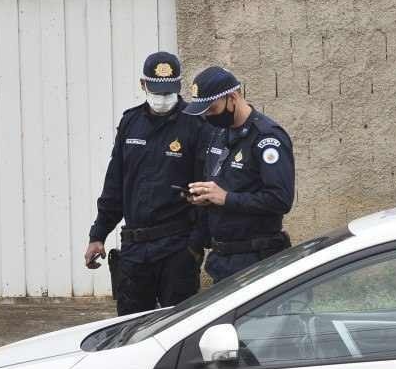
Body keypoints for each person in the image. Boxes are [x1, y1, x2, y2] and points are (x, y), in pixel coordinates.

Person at [84, 51, 210, 316]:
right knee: (131, 325)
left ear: (178, 86)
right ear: (143, 85)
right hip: (135, 248)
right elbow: (115, 183)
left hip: (178, 247)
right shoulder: (131, 122)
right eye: (156, 91)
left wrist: (195, 244)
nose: (163, 98)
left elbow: (207, 189)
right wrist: (98, 234)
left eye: (169, 91)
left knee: (178, 325)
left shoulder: (196, 124)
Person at [182, 66, 295, 282]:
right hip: (222, 260)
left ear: (232, 98)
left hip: (256, 260)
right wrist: (206, 198)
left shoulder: (266, 138)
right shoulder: (219, 133)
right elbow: (222, 186)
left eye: (212, 109)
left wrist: (226, 198)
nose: (207, 116)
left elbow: (280, 199)